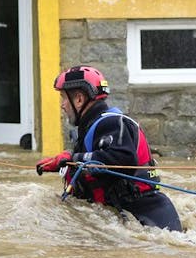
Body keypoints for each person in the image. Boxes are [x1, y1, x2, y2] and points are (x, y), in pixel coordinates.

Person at [36, 66, 183, 232]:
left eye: (63, 98)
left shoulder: (112, 123)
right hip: (123, 215)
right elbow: (96, 161)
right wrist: (67, 161)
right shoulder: (90, 128)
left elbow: (122, 158)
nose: (62, 105)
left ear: (78, 99)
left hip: (149, 214)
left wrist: (73, 158)